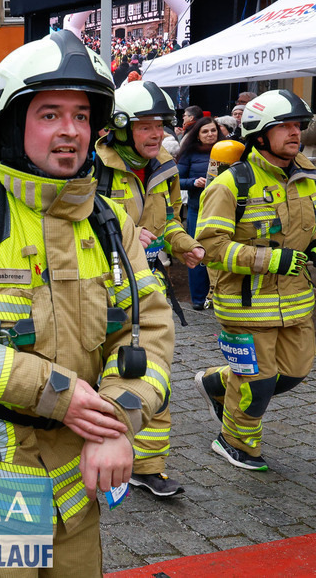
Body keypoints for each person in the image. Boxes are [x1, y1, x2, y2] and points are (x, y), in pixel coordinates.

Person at [0, 30, 174, 575]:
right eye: (49, 114)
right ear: (11, 123)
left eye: (81, 114)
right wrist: (56, 393)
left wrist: (117, 421)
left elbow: (147, 330)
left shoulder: (110, 221)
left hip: (79, 488)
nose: (70, 130)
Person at [94, 80, 206, 498]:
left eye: (159, 125)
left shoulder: (165, 166)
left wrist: (185, 244)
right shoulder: (93, 167)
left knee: (149, 370)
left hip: (146, 284)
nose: (156, 134)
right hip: (98, 285)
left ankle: (148, 465)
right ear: (121, 128)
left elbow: (170, 219)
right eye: (145, 126)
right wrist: (121, 237)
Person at [194, 90, 316, 472]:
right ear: (260, 134)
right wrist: (269, 259)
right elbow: (210, 247)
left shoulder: (309, 174)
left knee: (294, 373)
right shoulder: (231, 184)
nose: (295, 133)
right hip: (245, 303)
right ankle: (235, 442)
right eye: (285, 126)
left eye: (298, 125)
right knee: (257, 385)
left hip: (296, 302)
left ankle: (218, 383)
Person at [177, 116, 226, 308]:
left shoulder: (228, 150)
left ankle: (218, 298)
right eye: (205, 131)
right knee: (196, 251)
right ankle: (198, 299)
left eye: (213, 130)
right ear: (197, 135)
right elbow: (177, 180)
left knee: (220, 252)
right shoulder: (189, 153)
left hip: (222, 210)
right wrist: (193, 182)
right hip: (197, 209)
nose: (210, 134)